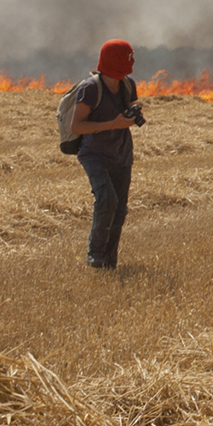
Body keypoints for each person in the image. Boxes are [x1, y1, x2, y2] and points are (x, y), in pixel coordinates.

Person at [71, 39, 141, 270]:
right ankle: (96, 255)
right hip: (94, 155)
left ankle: (110, 263)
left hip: (121, 154)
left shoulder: (128, 84)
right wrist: (113, 124)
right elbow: (76, 127)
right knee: (107, 201)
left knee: (120, 210)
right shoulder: (90, 89)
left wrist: (132, 116)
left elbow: (128, 110)